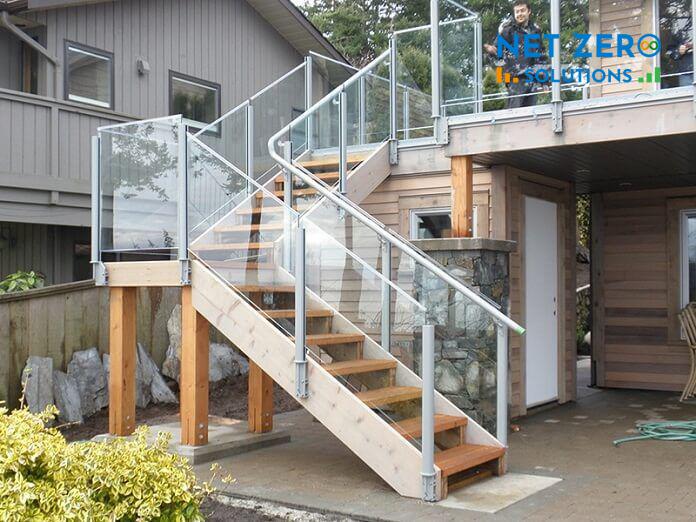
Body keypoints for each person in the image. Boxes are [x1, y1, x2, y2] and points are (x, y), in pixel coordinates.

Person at [483, 0, 547, 108]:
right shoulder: (508, 30)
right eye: (517, 12)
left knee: (531, 111)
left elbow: (540, 55)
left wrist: (544, 80)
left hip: (532, 77)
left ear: (529, 11)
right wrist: (492, 51)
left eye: (522, 10)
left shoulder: (535, 31)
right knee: (515, 110)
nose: (519, 14)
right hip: (515, 77)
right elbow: (498, 50)